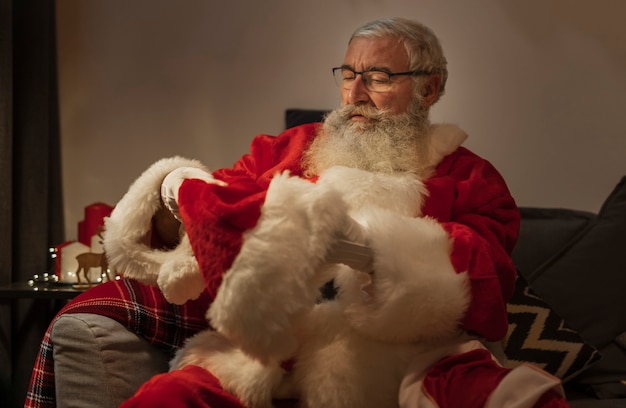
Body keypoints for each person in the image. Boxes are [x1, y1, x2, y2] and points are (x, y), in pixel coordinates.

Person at [101, 17, 567, 408]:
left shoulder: (469, 176)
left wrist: (369, 249)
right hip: (276, 347)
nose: (356, 93)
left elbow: (488, 279)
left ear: (429, 89)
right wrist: (172, 189)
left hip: (410, 357)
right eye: (348, 75)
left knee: (520, 398)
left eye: (379, 76)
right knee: (166, 398)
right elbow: (221, 201)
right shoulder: (291, 148)